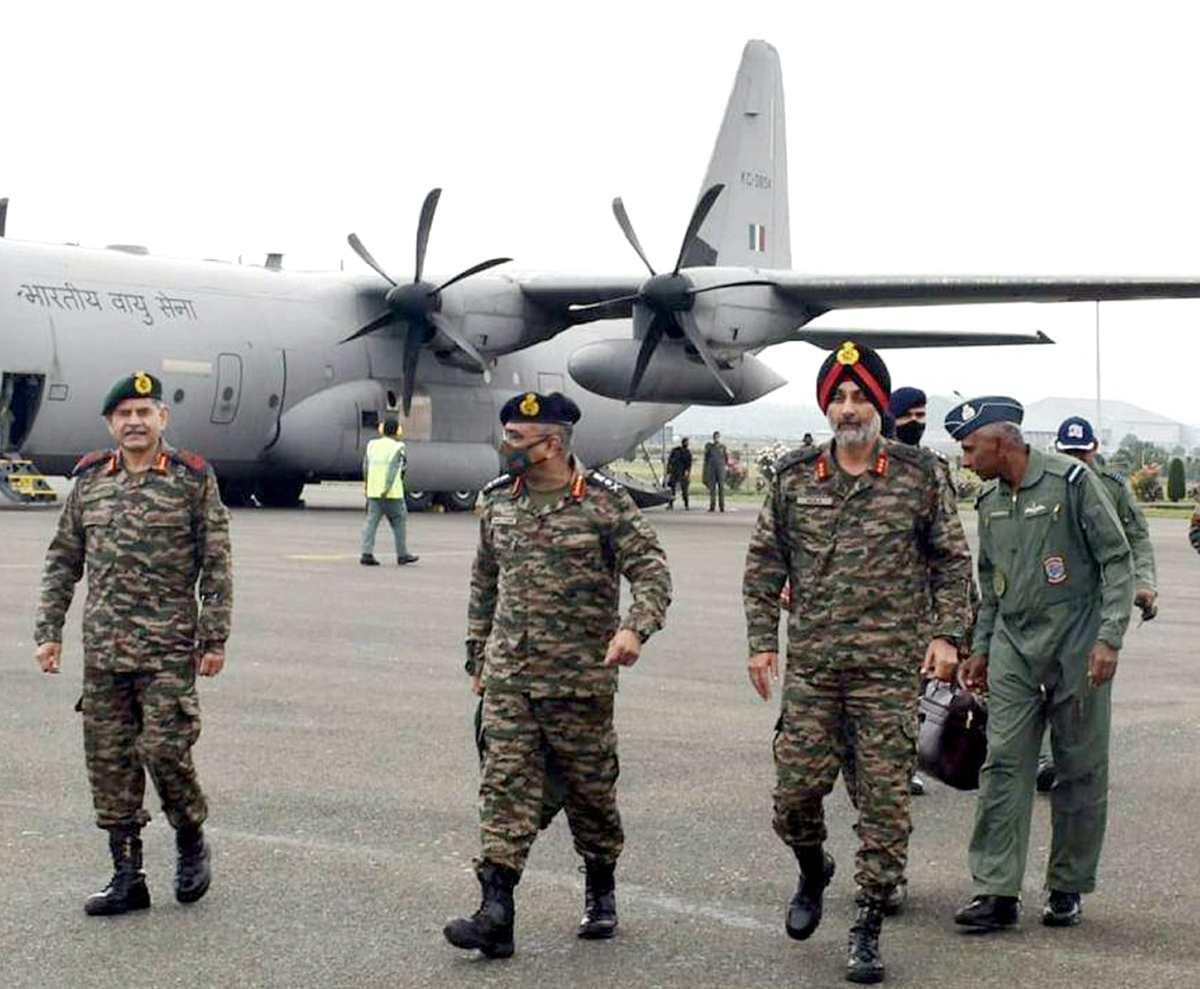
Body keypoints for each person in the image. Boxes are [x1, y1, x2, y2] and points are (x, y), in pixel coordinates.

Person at [743, 342, 975, 984]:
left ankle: (868, 922)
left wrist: (948, 636)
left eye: (861, 398)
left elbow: (953, 561)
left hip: (888, 672)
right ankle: (814, 868)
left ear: (879, 405)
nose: (849, 409)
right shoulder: (793, 478)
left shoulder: (919, 474)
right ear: (826, 406)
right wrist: (762, 640)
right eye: (839, 398)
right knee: (792, 797)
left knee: (885, 806)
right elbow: (765, 567)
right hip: (815, 671)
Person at [444, 391, 672, 959]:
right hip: (510, 681)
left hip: (580, 683)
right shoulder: (498, 501)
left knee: (591, 795)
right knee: (503, 789)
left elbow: (652, 573)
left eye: (516, 439)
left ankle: (600, 883)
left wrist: (634, 629)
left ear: (552, 443)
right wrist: (479, 656)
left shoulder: (604, 504)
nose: (506, 446)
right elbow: (484, 583)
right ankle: (495, 913)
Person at [34, 371, 232, 916]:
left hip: (168, 647)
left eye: (145, 411)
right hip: (103, 649)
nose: (135, 421)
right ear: (110, 423)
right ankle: (128, 876)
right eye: (124, 414)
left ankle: (191, 835)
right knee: (110, 763)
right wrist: (48, 631)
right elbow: (63, 560)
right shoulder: (91, 479)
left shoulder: (192, 478)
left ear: (162, 418)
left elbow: (215, 561)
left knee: (166, 750)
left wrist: (213, 636)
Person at [946, 397, 1133, 932]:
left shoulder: (1072, 482)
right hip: (1014, 644)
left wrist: (1109, 637)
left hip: (1077, 641)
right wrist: (980, 648)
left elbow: (1115, 559)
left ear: (1002, 442)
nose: (965, 459)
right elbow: (989, 584)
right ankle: (996, 890)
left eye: (969, 448)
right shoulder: (988, 501)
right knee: (1002, 762)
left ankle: (1067, 885)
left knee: (1078, 767)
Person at [1034, 415, 1157, 791]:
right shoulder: (1043, 481)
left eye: (1081, 452)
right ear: (1057, 449)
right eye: (1068, 451)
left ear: (1094, 449)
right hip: (1051, 599)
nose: (1075, 458)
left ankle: (1078, 762)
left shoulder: (1113, 487)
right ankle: (1047, 760)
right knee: (1045, 681)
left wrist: (1145, 583)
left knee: (1087, 682)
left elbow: (1136, 536)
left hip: (1097, 601)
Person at [360, 416, 418, 566]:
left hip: (374, 492)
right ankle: (402, 554)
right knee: (399, 522)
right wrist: (386, 488)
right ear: (397, 431)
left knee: (371, 522)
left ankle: (366, 553)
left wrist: (367, 485)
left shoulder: (371, 445)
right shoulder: (398, 448)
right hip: (392, 494)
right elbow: (395, 469)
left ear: (382, 429)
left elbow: (365, 467)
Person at [703, 430, 728, 512]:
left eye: (717, 437)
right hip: (712, 469)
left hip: (720, 469)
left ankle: (722, 506)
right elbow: (706, 459)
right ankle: (712, 505)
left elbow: (726, 458)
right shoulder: (710, 447)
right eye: (715, 437)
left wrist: (724, 467)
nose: (716, 438)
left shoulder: (722, 447)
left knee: (721, 488)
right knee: (712, 488)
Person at [665, 436, 693, 510]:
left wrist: (687, 472)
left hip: (682, 472)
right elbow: (670, 461)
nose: (687, 443)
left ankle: (686, 504)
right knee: (672, 489)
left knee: (684, 490)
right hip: (675, 471)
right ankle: (671, 504)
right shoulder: (676, 451)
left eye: (687, 442)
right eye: (686, 442)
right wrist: (668, 471)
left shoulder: (687, 452)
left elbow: (689, 464)